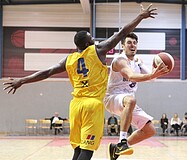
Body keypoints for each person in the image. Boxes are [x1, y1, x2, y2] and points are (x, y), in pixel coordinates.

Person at [3, 4, 163, 160]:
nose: (94, 40)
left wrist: (22, 80)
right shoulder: (97, 51)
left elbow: (47, 72)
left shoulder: (70, 59)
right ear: (87, 44)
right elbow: (122, 34)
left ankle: (122, 144)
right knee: (87, 151)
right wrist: (140, 17)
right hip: (92, 105)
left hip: (75, 106)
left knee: (78, 149)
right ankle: (121, 142)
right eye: (91, 38)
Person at [104, 16, 169, 160]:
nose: (132, 45)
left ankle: (116, 148)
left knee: (149, 130)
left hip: (128, 101)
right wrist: (152, 74)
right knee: (131, 100)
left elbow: (153, 78)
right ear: (123, 46)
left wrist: (154, 70)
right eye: (129, 43)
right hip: (113, 98)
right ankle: (121, 141)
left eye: (134, 43)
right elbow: (132, 76)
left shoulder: (138, 61)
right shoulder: (119, 60)